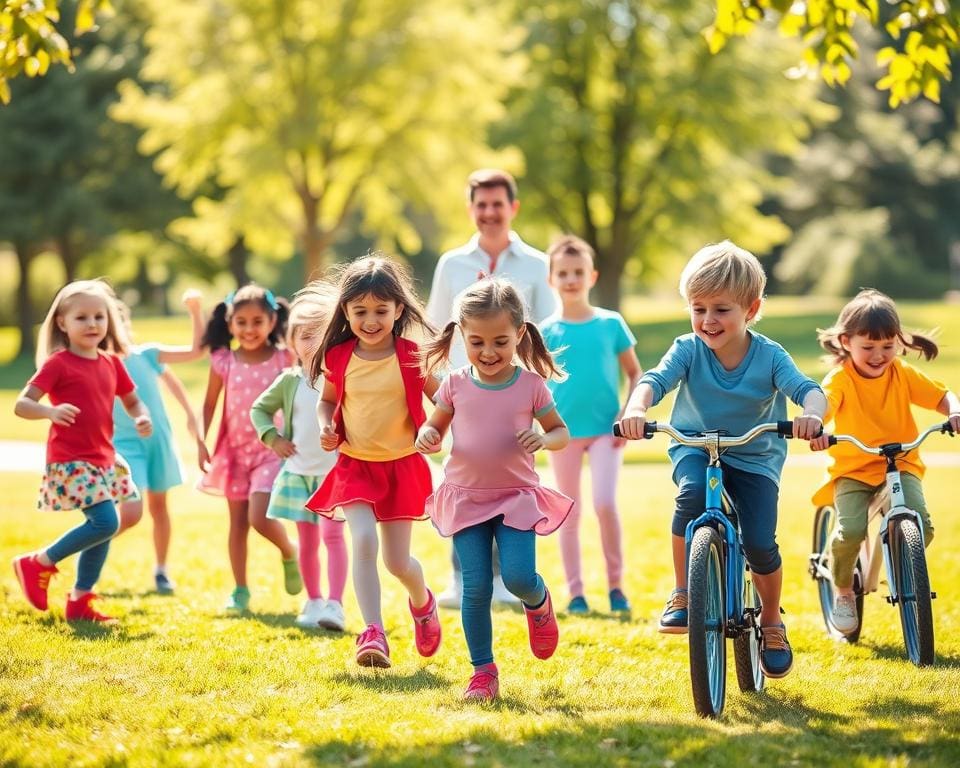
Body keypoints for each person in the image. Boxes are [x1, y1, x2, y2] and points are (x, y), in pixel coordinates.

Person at [619, 240, 826, 679]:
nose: (708, 321)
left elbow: (807, 389)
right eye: (698, 309)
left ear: (750, 309)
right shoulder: (687, 349)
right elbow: (654, 380)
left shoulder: (769, 356)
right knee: (691, 498)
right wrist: (637, 409)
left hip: (754, 455)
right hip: (695, 446)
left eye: (721, 310)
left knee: (758, 540)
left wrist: (811, 415)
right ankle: (682, 594)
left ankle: (771, 620)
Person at [417, 278, 572, 701]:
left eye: (500, 341)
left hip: (516, 496)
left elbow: (560, 431)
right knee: (476, 586)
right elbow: (436, 423)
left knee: (520, 576)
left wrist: (544, 439)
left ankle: (538, 603)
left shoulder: (531, 386)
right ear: (461, 336)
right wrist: (428, 434)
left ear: (520, 334)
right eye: (477, 341)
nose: (488, 352)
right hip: (467, 496)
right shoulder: (454, 384)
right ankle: (483, 671)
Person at [427, 168, 558, 609]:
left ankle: (508, 578)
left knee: (509, 476)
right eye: (480, 205)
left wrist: (536, 381)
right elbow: (437, 325)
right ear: (471, 209)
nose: (488, 213)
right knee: (462, 474)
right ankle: (462, 575)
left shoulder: (537, 265)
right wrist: (437, 391)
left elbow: (549, 327)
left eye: (496, 204)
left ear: (512, 208)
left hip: (514, 390)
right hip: (463, 390)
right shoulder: (452, 264)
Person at [305, 254, 442, 668]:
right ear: (345, 311)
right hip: (354, 465)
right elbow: (327, 403)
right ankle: (373, 632)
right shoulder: (339, 357)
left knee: (397, 562)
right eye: (360, 311)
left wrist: (434, 431)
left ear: (399, 309)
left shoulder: (412, 356)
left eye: (381, 311)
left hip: (402, 466)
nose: (370, 320)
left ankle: (423, 602)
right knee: (363, 540)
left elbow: (445, 404)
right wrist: (327, 425)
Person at [810, 289, 960, 635]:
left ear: (898, 342)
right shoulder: (842, 379)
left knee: (922, 524)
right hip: (854, 471)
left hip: (900, 463)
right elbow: (823, 403)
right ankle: (844, 591)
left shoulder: (902, 374)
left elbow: (941, 396)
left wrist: (953, 411)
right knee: (850, 531)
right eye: (869, 347)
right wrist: (815, 423)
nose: (879, 356)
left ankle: (905, 567)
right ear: (847, 342)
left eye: (887, 346)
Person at [12, 279, 152, 623]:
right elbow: (22, 404)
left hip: (103, 458)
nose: (92, 324)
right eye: (81, 318)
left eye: (98, 317)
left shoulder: (111, 363)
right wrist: (49, 411)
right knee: (106, 522)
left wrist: (141, 416)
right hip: (72, 459)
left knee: (101, 529)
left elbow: (132, 400)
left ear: (108, 321)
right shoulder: (59, 364)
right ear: (62, 323)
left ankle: (79, 600)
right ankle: (39, 562)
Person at [540, 235, 642, 614]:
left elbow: (635, 374)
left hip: (604, 432)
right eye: (563, 273)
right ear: (551, 279)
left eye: (578, 272)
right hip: (562, 434)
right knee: (568, 511)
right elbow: (534, 383)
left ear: (592, 275)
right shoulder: (545, 331)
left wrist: (626, 412)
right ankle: (576, 592)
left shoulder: (611, 324)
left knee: (604, 503)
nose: (571, 279)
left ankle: (616, 587)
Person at [196, 284, 301, 612]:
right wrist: (202, 441)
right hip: (234, 451)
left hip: (271, 450)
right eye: (241, 322)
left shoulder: (284, 357)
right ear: (230, 324)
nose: (249, 329)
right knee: (237, 523)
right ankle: (240, 590)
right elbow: (210, 405)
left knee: (259, 516)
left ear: (273, 321)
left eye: (258, 321)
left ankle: (289, 550)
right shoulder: (223, 361)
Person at [251, 281, 348, 630]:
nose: (312, 343)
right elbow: (258, 410)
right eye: (303, 336)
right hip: (298, 472)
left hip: (333, 474)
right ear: (291, 342)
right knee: (307, 541)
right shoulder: (288, 381)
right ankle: (313, 600)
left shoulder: (340, 378)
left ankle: (336, 604)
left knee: (333, 537)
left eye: (319, 334)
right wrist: (272, 438)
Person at [111, 289, 206, 594]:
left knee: (159, 507)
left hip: (158, 440)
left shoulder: (147, 355)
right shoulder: (99, 363)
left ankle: (162, 570)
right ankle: (87, 546)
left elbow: (195, 352)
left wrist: (194, 311)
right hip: (124, 445)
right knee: (128, 514)